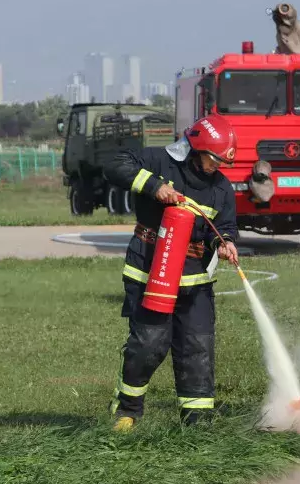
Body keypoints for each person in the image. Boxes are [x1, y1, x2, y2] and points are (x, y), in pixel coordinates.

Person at [103, 115, 241, 431]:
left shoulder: (221, 187)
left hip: (195, 282)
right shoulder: (159, 161)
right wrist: (154, 186)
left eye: (221, 162)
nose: (216, 167)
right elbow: (113, 163)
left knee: (198, 348)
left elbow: (225, 225)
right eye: (213, 159)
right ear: (195, 149)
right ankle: (127, 411)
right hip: (150, 272)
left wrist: (225, 242)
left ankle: (197, 423)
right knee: (149, 344)